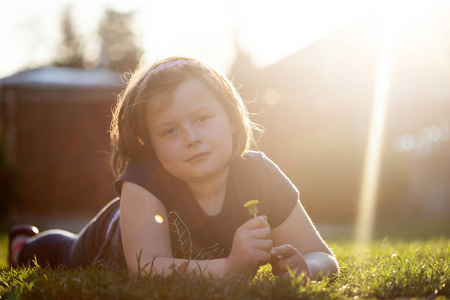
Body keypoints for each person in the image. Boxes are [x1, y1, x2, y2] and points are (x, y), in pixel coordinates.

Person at [8, 56, 339, 279]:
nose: (191, 138)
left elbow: (324, 257)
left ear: (232, 120)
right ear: (149, 144)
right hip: (112, 233)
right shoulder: (144, 179)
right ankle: (23, 245)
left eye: (202, 119)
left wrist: (306, 268)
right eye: (170, 130)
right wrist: (229, 267)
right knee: (68, 253)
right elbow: (147, 268)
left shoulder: (261, 175)